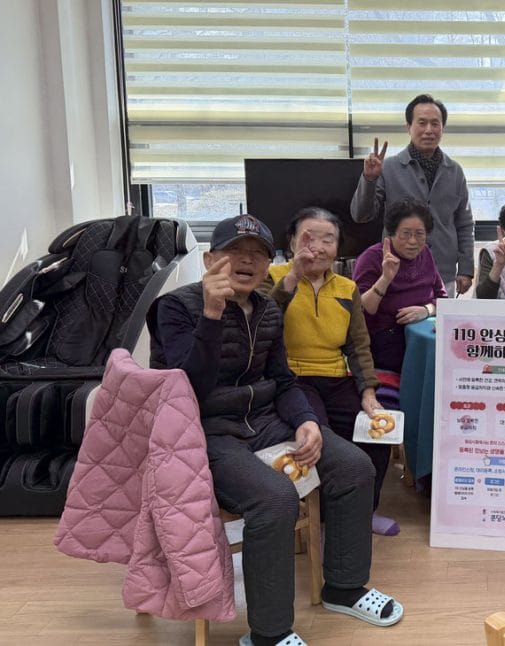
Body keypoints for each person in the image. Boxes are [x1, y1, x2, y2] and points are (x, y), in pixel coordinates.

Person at [148, 214, 403, 645]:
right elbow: (187, 389)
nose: (247, 261)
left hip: (265, 420)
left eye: (258, 254)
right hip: (204, 430)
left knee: (354, 467)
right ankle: (267, 633)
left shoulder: (267, 309)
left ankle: (344, 588)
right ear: (210, 259)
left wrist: (305, 420)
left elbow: (283, 381)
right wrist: (212, 316)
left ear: (269, 265)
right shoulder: (175, 307)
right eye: (235, 252)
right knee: (275, 497)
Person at [261, 207, 398, 537]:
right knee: (323, 441)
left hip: (337, 379)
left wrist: (368, 392)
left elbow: (358, 345)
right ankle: (322, 521)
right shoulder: (273, 277)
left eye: (328, 239)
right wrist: (294, 275)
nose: (318, 247)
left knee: (377, 435)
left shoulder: (347, 288)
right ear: (292, 242)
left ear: (338, 248)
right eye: (309, 238)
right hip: (292, 380)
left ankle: (364, 512)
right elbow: (261, 322)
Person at [350, 93, 474, 296]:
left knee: (439, 318)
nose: (429, 130)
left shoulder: (455, 171)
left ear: (443, 128)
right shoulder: (389, 167)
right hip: (397, 270)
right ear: (408, 127)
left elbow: (464, 223)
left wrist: (466, 268)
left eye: (435, 124)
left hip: (443, 271)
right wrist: (369, 179)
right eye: (422, 123)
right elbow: (361, 215)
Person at [354, 198, 447, 375]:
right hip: (385, 337)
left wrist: (426, 310)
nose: (413, 241)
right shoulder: (372, 258)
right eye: (405, 234)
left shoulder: (426, 253)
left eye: (420, 234)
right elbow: (362, 310)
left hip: (425, 328)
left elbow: (442, 297)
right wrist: (385, 278)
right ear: (392, 233)